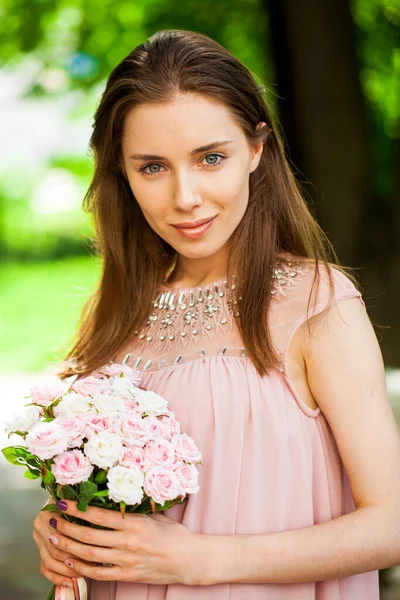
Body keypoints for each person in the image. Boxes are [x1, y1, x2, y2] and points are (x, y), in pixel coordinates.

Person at [32, 29, 400, 599]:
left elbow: (392, 522)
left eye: (210, 158)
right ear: (121, 174)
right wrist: (65, 528)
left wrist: (200, 561)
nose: (186, 197)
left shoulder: (316, 304)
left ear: (256, 149)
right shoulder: (114, 316)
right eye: (152, 167)